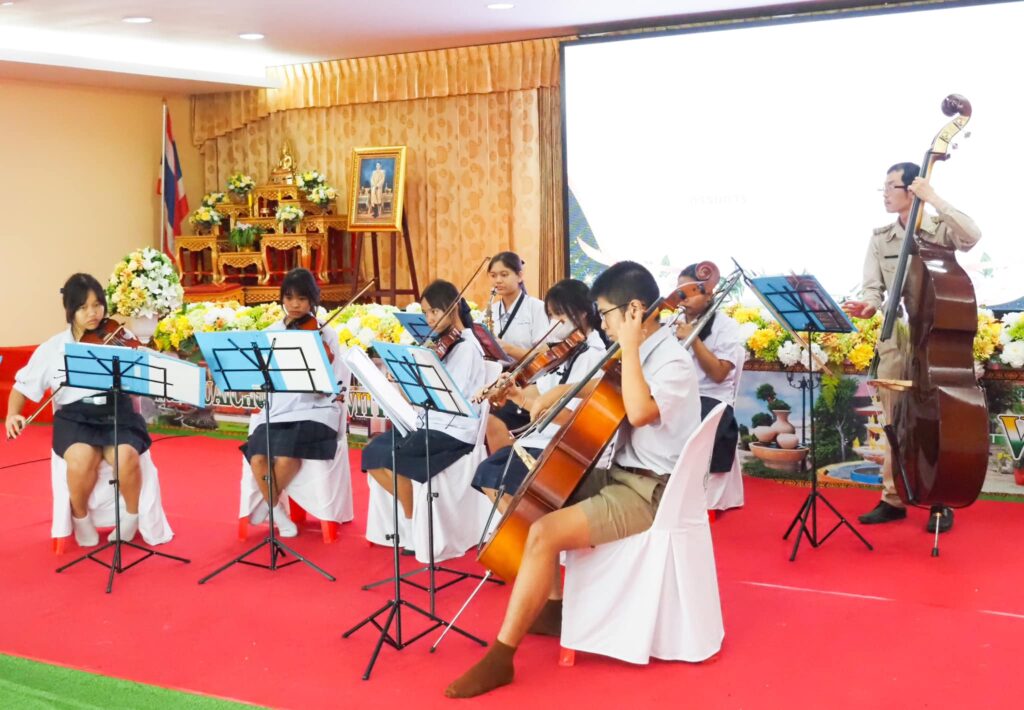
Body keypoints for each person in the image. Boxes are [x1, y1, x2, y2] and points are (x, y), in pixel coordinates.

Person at [445, 261, 701, 698]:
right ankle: (551, 607)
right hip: (620, 474)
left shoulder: (671, 362)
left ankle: (502, 657)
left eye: (607, 314)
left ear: (634, 311)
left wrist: (629, 348)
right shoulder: (642, 352)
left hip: (649, 491)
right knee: (535, 486)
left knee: (544, 532)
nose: (603, 324)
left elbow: (639, 410)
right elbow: (605, 385)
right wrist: (561, 390)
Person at [843, 162, 981, 534]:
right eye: (884, 187)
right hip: (896, 341)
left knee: (937, 423)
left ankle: (939, 498)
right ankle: (893, 498)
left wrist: (934, 198)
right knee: (894, 423)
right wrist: (868, 305)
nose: (885, 193)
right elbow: (872, 289)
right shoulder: (881, 238)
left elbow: (972, 236)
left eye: (892, 186)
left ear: (912, 189)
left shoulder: (939, 229)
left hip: (935, 344)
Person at [5, 274, 152, 546]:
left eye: (97, 305)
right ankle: (81, 518)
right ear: (70, 310)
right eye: (83, 307)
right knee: (81, 460)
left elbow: (142, 376)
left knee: (126, 456)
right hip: (76, 417)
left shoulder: (119, 337)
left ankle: (131, 518)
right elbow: (21, 387)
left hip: (117, 412)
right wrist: (14, 414)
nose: (93, 313)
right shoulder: (53, 348)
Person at [472, 279, 608, 509]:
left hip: (562, 446)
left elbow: (570, 418)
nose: (554, 322)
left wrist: (524, 401)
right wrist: (515, 393)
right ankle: (518, 524)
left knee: (494, 476)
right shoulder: (567, 350)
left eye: (559, 314)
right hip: (541, 438)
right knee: (487, 472)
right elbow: (541, 390)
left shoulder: (592, 356)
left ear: (583, 313)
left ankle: (522, 525)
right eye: (551, 315)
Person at [361, 279, 486, 525]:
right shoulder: (445, 344)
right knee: (371, 452)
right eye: (425, 312)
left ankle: (411, 521)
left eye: (434, 311)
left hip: (454, 431)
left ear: (453, 308)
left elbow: (452, 397)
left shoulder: (467, 348)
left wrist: (419, 381)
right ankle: (411, 513)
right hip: (430, 423)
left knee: (392, 460)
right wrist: (406, 378)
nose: (429, 319)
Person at [239, 268, 348, 538]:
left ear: (313, 300)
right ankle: (277, 511)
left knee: (287, 457)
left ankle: (268, 506)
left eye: (301, 298)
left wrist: (321, 377)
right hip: (279, 410)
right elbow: (261, 378)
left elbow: (336, 384)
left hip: (315, 412)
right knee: (257, 457)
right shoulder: (270, 333)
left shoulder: (325, 334)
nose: (295, 304)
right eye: (289, 298)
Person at [673, 263, 745, 474]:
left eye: (691, 292)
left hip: (709, 399)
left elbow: (719, 374)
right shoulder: (671, 322)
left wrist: (693, 338)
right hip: (676, 396)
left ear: (709, 294)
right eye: (680, 293)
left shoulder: (726, 326)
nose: (683, 299)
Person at [485, 252, 550, 451]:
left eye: (504, 274)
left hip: (528, 380)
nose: (498, 280)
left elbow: (544, 356)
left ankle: (506, 459)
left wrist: (508, 348)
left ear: (520, 276)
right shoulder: (491, 310)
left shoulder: (536, 308)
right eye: (493, 275)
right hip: (500, 377)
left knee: (495, 415)